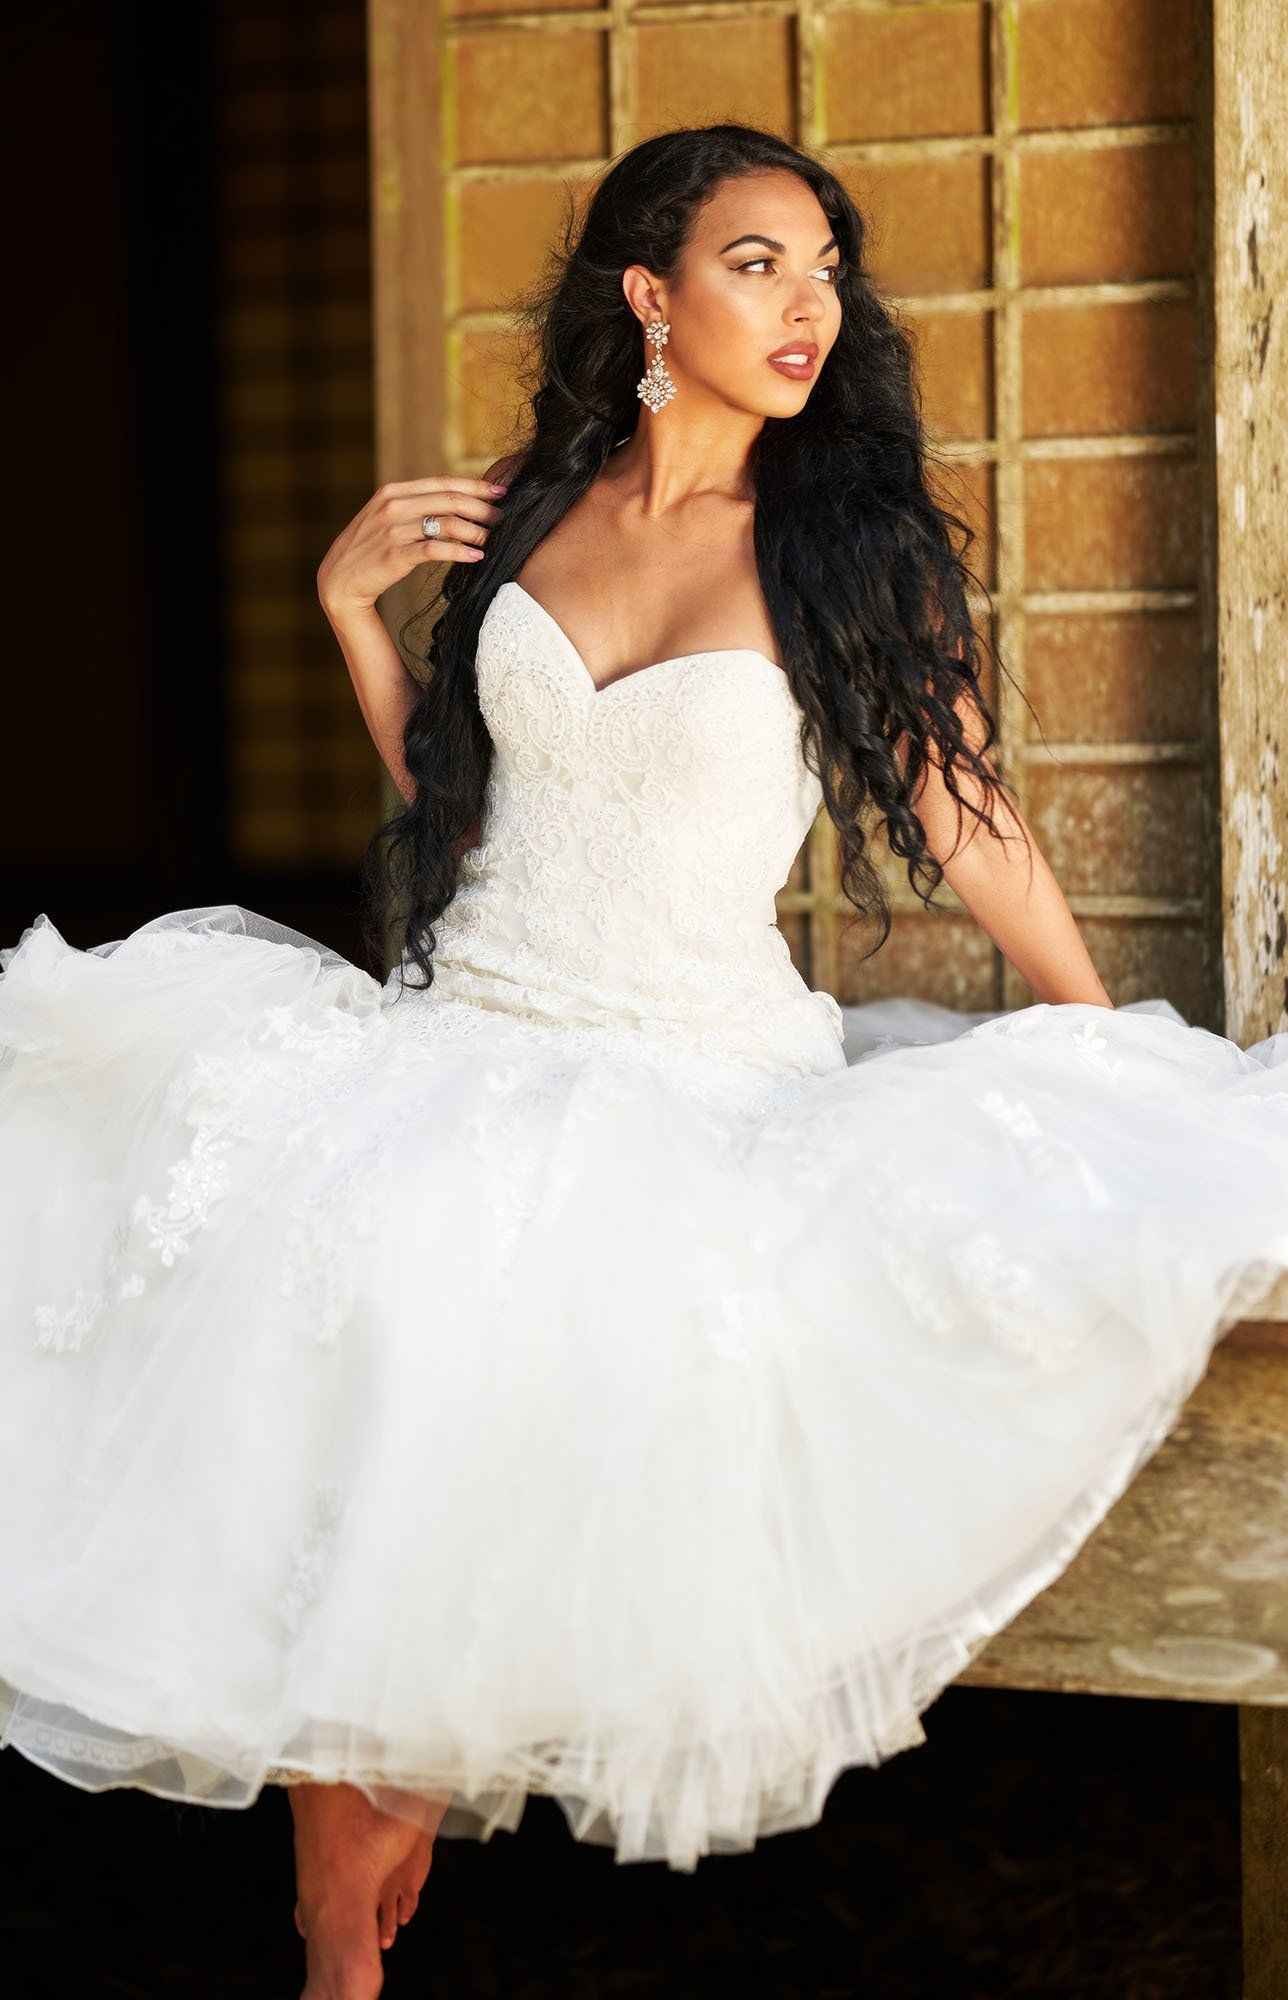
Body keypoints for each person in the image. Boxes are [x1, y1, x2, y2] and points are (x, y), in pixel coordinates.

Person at [3, 121, 1287, 2000]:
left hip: (691, 1071)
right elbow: (469, 803)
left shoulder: (837, 552)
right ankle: (342, 1862)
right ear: (650, 296)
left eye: (826, 270)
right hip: (462, 1026)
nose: (809, 304)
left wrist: (1094, 1041)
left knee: (481, 1287)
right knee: (309, 1252)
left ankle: (354, 1855)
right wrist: (350, 610)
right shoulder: (537, 507)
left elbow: (968, 816)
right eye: (759, 263)